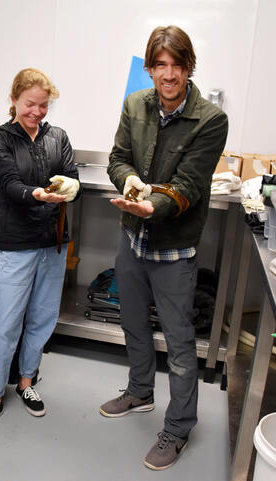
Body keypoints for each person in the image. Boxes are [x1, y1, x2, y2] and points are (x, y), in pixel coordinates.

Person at [101, 26, 228, 470]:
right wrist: (129, 181)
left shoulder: (210, 120)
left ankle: (177, 429)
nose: (168, 75)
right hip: (131, 239)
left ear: (189, 67)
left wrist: (149, 206)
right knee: (133, 322)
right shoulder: (136, 103)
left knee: (178, 344)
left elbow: (190, 185)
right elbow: (117, 158)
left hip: (174, 247)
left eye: (176, 65)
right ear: (150, 67)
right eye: (160, 65)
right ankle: (139, 392)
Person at [0, 68, 80, 436]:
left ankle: (26, 380)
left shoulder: (58, 136)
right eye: (30, 104)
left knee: (43, 316)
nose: (36, 111)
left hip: (54, 241)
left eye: (43, 105)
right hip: (17, 244)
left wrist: (69, 186)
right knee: (6, 323)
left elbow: (71, 173)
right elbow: (8, 183)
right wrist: (36, 193)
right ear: (14, 99)